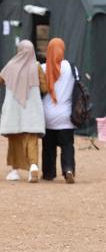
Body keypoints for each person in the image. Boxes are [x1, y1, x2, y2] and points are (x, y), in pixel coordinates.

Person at [1, 40, 47, 182]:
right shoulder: (37, 67)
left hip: (13, 111)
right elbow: (44, 88)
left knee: (14, 140)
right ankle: (33, 167)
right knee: (31, 139)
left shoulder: (10, 66)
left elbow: (1, 80)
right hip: (31, 110)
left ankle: (14, 171)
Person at [41, 38, 76, 183]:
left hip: (47, 114)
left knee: (48, 146)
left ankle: (49, 173)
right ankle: (68, 169)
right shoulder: (71, 67)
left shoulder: (43, 68)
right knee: (67, 145)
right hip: (66, 115)